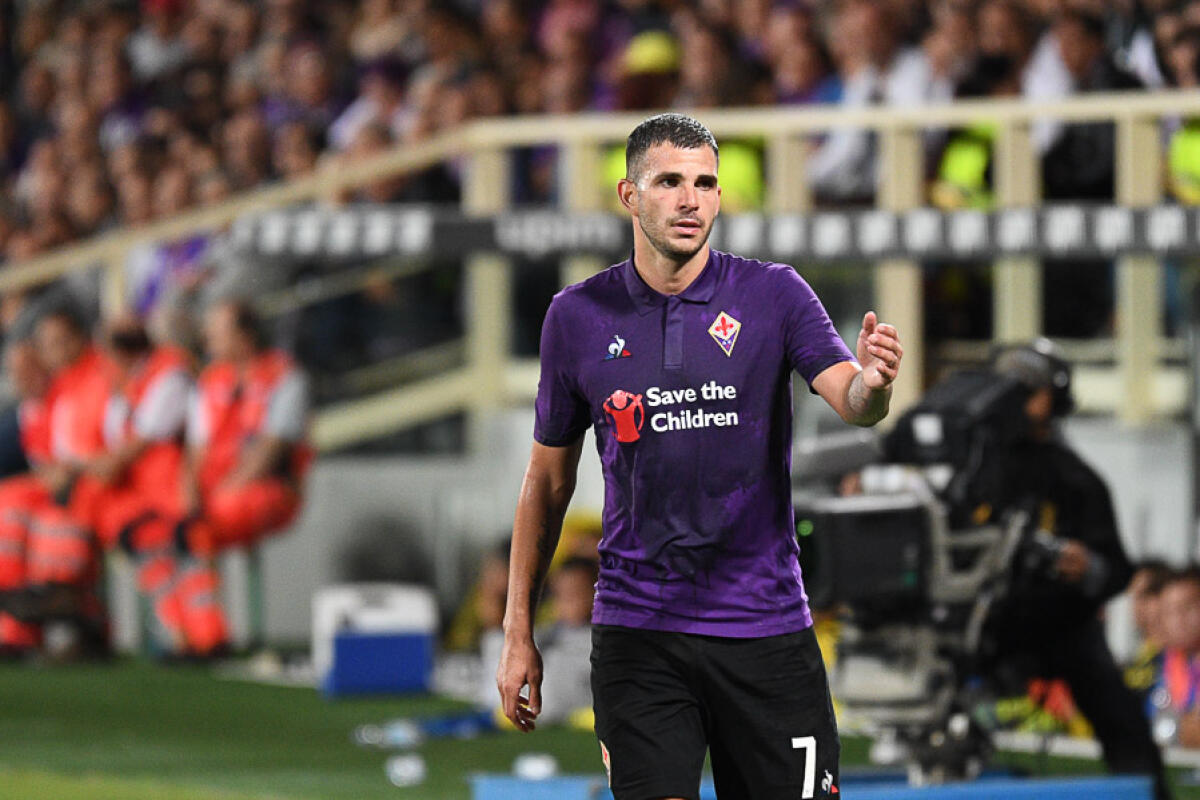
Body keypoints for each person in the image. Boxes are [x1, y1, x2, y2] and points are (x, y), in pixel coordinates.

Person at [496, 113, 903, 799]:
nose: (691, 200)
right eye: (670, 182)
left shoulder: (774, 294)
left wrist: (873, 384)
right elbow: (547, 481)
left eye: (706, 183)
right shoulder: (576, 316)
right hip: (640, 630)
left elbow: (852, 399)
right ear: (629, 196)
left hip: (766, 630)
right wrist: (518, 633)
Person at [986, 340, 1170, 798]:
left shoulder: (1074, 477)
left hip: (1063, 628)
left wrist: (1086, 568)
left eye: (1033, 389)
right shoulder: (970, 463)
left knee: (1123, 723)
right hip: (980, 624)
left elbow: (1117, 569)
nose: (1023, 399)